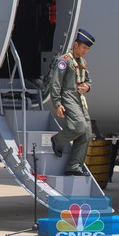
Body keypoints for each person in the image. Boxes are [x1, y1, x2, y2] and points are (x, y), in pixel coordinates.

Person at [48, 29, 95, 176]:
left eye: (87, 49)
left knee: (87, 133)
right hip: (68, 97)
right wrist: (57, 103)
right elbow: (55, 83)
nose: (85, 51)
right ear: (76, 44)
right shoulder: (64, 61)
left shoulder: (82, 62)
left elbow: (87, 80)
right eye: (83, 48)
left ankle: (74, 167)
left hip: (80, 99)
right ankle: (58, 140)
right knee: (79, 126)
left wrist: (87, 87)